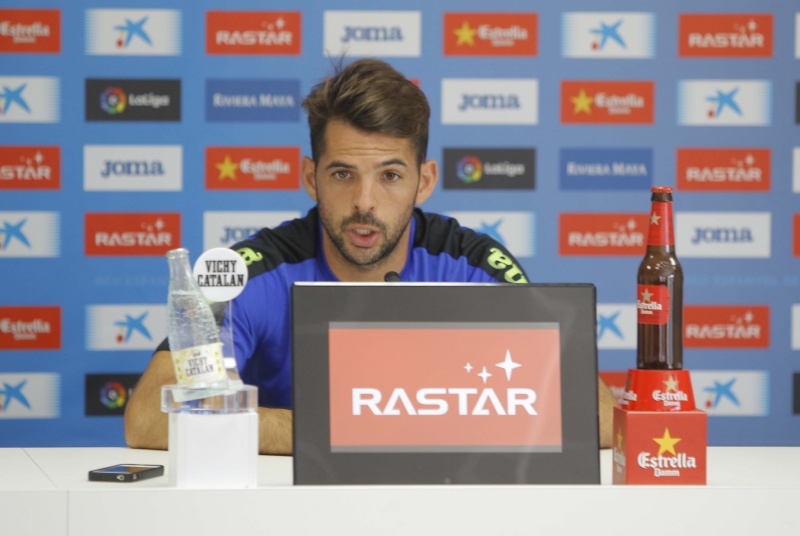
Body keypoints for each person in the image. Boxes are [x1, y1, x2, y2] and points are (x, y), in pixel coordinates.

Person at [124, 58, 616, 454]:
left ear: (424, 181)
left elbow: (597, 416)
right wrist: (347, 431)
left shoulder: (473, 265)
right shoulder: (252, 271)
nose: (364, 201)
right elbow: (148, 417)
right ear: (310, 178)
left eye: (390, 176)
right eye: (342, 174)